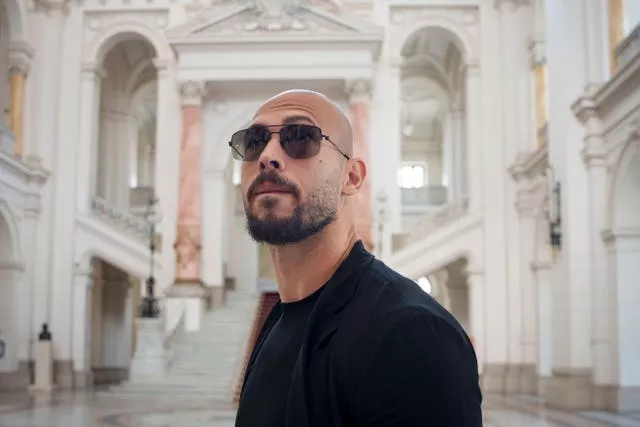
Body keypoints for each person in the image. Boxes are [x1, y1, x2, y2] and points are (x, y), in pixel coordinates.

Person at [231, 89, 482, 427]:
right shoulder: (279, 320)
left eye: (301, 137)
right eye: (255, 141)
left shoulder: (411, 335)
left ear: (351, 178)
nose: (267, 156)